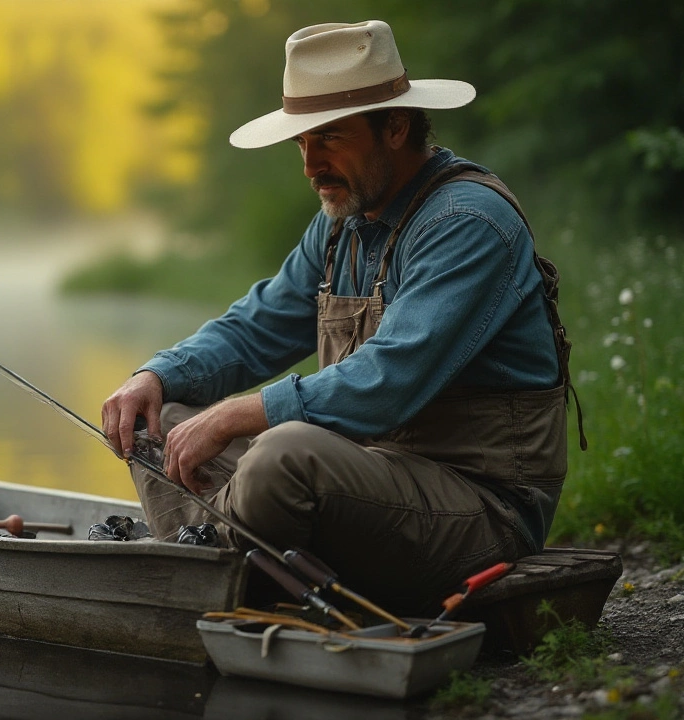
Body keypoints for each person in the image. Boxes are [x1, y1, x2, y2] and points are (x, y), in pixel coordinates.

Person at [100, 20, 585, 612]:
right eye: (301, 143)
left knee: (283, 457)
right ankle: (212, 565)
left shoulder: (467, 223)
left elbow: (389, 379)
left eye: (329, 138)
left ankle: (189, 577)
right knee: (159, 422)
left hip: (482, 510)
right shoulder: (341, 225)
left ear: (396, 126)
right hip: (368, 481)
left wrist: (237, 415)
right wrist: (155, 375)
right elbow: (258, 326)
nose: (310, 166)